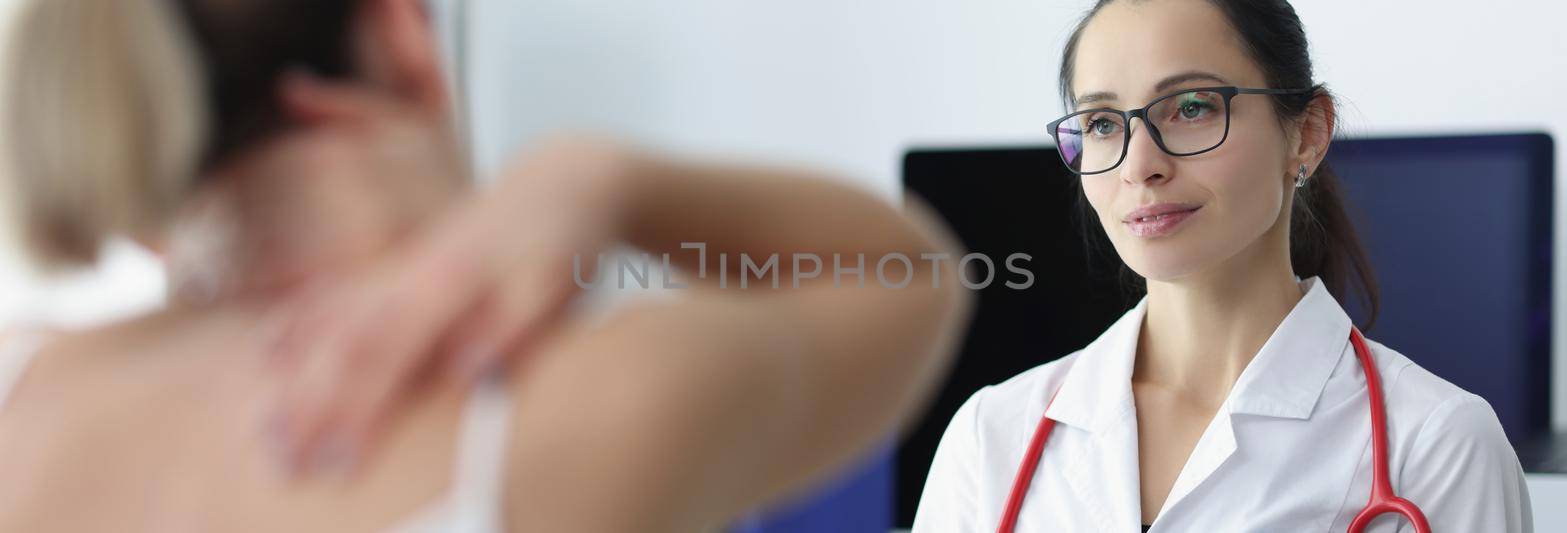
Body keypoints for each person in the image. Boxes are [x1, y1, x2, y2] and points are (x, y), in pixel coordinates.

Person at [0, 0, 973, 531]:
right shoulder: (575, 406)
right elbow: (909, 271)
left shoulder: (19, 390)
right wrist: (598, 173)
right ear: (403, 38)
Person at [911, 0, 1532, 531]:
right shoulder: (992, 437)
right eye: (1103, 123)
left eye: (1190, 108)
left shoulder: (1436, 444)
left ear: (1307, 134)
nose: (1139, 166)